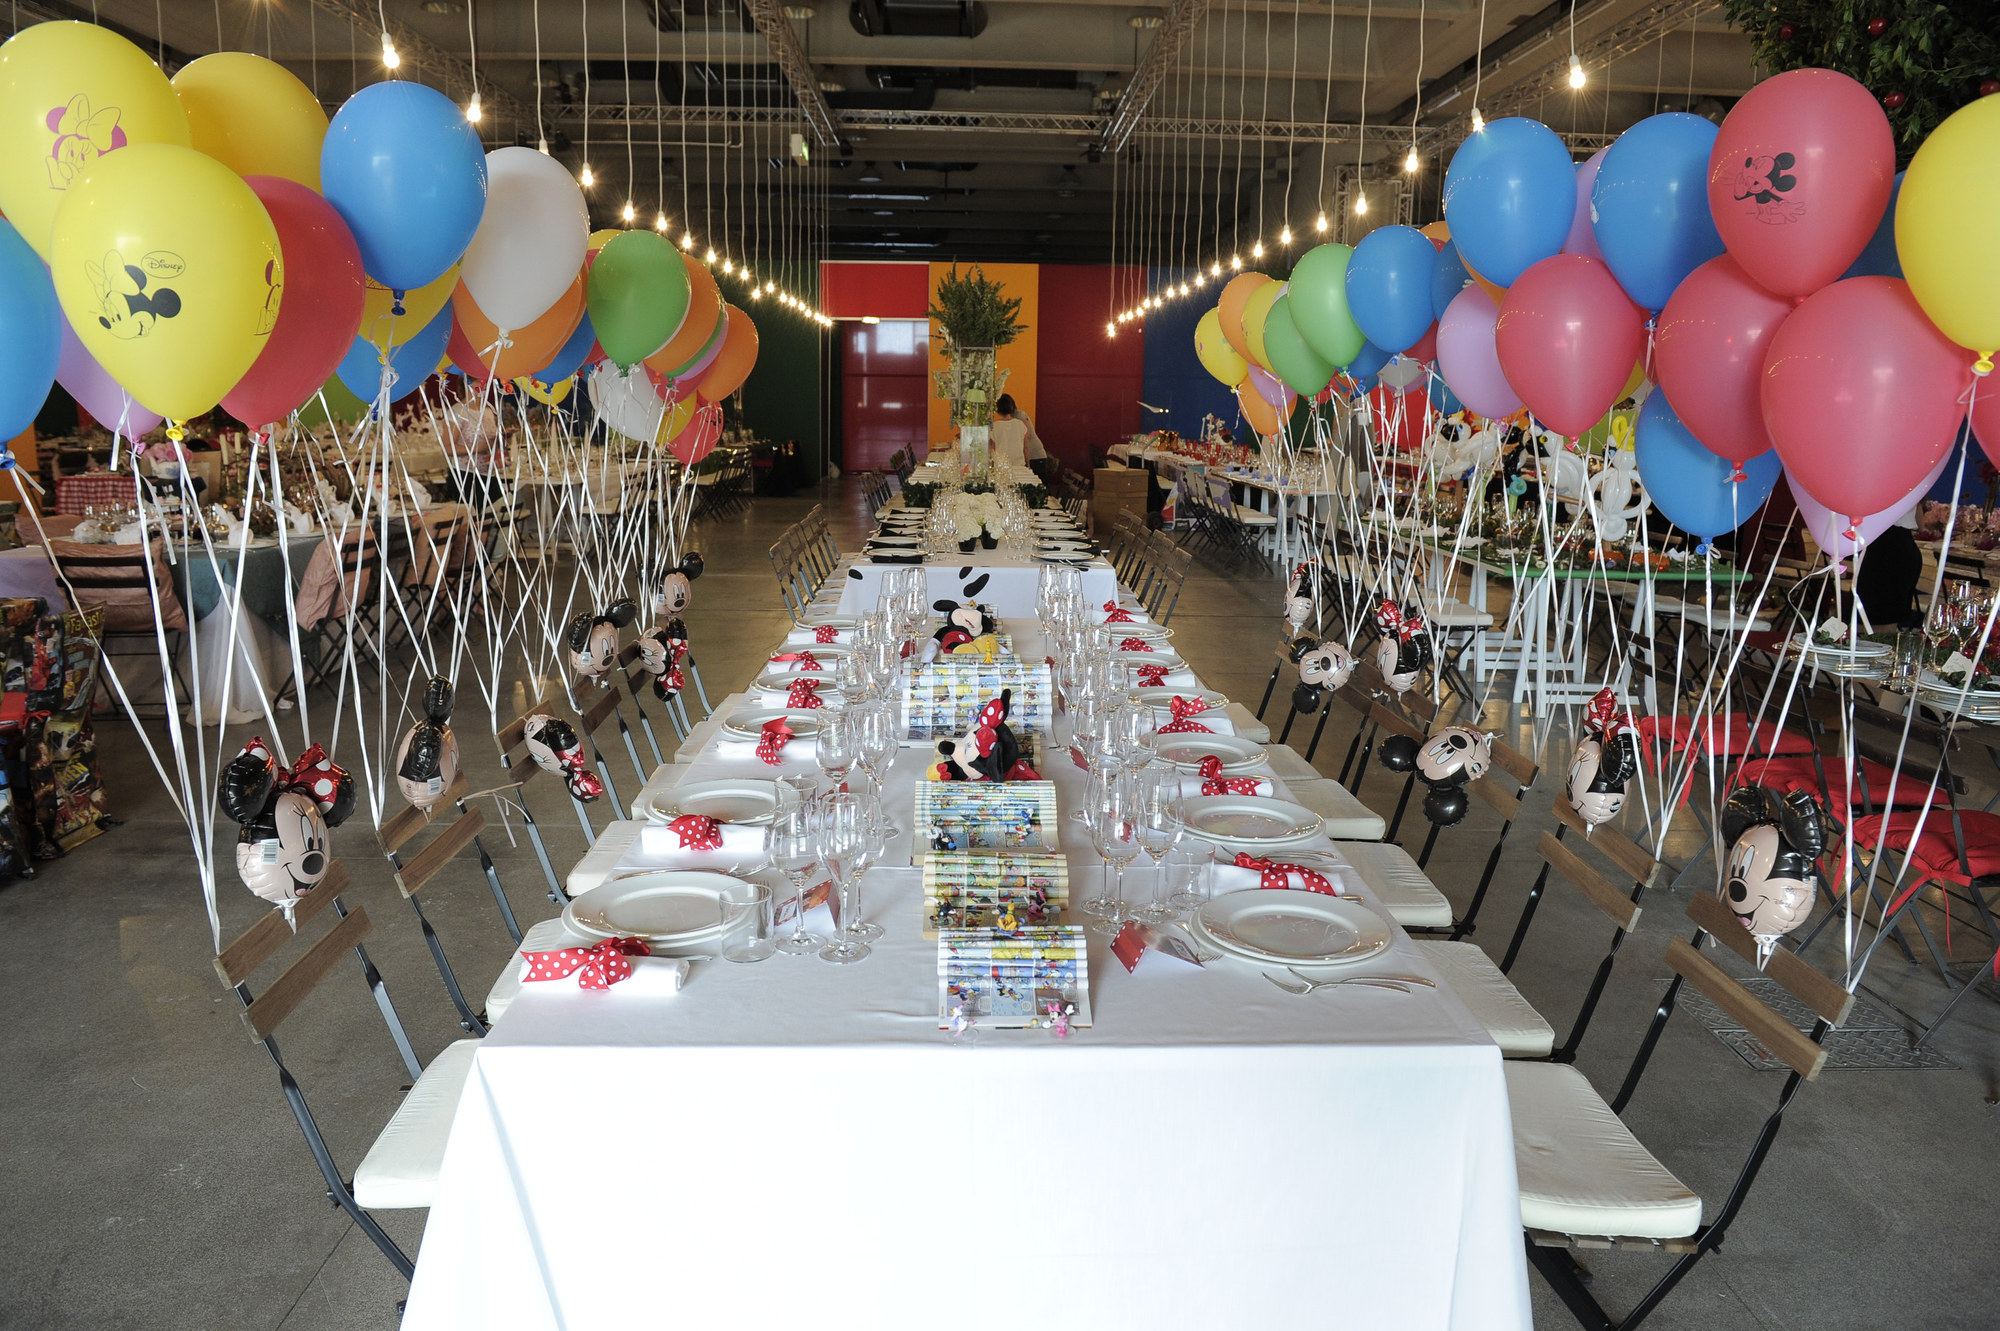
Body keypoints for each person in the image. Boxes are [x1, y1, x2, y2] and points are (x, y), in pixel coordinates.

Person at [989, 395, 1046, 476]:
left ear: (998, 410)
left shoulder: (995, 426)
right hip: (1019, 466)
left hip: (1002, 467)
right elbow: (1026, 447)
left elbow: (992, 450)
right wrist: (1028, 465)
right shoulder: (1020, 424)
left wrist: (992, 466)